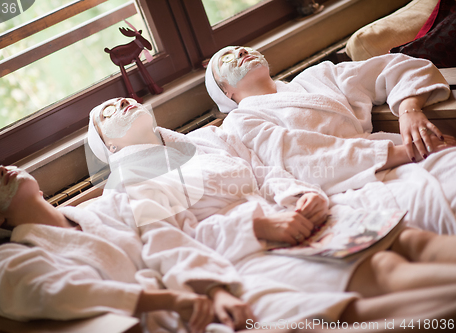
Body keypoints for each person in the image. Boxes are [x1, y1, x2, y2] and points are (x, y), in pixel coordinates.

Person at [86, 97, 456, 326]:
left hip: (296, 215)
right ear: (109, 146)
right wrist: (259, 227)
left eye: (123, 99)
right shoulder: (128, 185)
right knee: (384, 269)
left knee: (411, 239)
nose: (120, 104)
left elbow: (264, 173)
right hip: (253, 250)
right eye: (106, 112)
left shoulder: (208, 141)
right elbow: (175, 241)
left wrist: (301, 196)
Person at [0, 165, 254, 332]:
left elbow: (167, 239)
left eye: (7, 167)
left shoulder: (111, 205)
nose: (0, 170)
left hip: (198, 300)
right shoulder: (9, 258)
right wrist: (169, 301)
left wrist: (215, 291)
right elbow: (57, 292)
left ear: (40, 188)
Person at [205, 46, 456, 234]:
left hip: (407, 151)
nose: (239, 51)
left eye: (243, 48)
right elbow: (305, 160)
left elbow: (397, 67)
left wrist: (409, 111)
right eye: (226, 59)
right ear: (226, 92)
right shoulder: (240, 121)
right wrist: (407, 152)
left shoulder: (317, 76)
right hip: (349, 186)